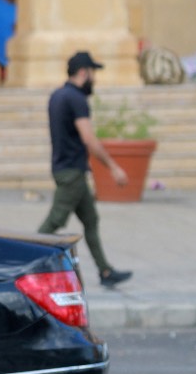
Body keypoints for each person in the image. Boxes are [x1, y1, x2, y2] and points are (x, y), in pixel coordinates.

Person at [37, 52, 132, 289]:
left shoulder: (57, 96)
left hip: (64, 167)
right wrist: (114, 167)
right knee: (54, 222)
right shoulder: (76, 99)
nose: (95, 79)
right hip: (71, 171)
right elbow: (89, 139)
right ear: (83, 72)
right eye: (93, 73)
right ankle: (24, 264)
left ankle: (105, 270)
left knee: (91, 219)